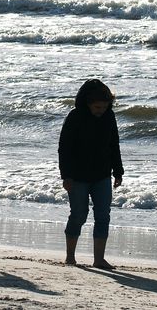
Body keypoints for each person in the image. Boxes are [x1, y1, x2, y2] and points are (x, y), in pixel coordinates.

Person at [58, 79, 123, 269]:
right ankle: (70, 256)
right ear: (87, 103)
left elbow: (114, 145)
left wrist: (118, 171)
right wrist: (66, 176)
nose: (100, 110)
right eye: (97, 107)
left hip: (102, 175)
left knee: (103, 215)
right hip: (77, 177)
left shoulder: (109, 117)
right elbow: (64, 148)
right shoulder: (75, 117)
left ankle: (99, 259)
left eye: (104, 107)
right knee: (79, 215)